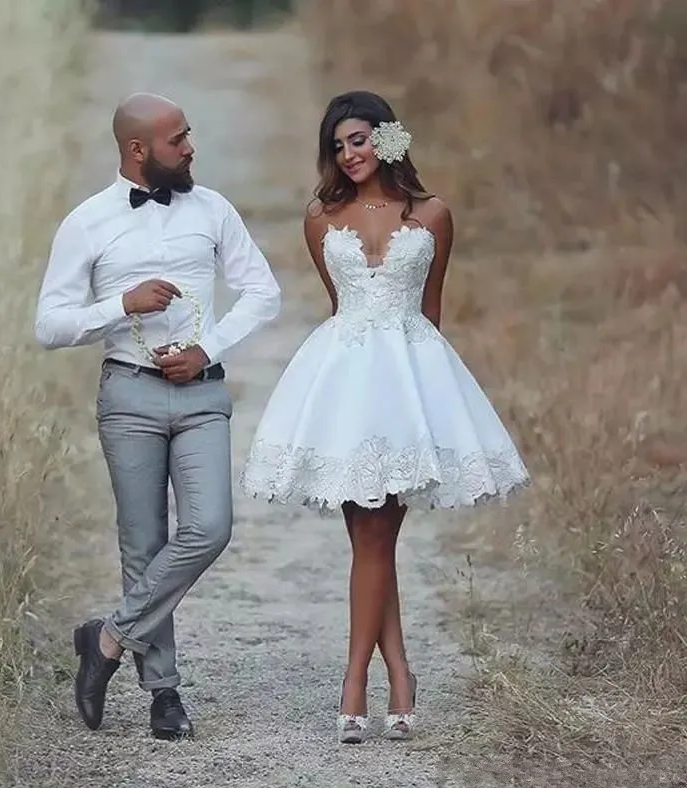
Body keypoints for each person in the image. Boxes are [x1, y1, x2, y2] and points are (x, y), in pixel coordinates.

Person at [240, 90, 529, 744]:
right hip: (343, 382)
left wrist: (430, 403)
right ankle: (398, 673)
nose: (349, 154)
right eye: (338, 146)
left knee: (375, 539)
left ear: (389, 140)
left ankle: (356, 684)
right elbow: (340, 302)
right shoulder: (320, 216)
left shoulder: (433, 216)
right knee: (372, 541)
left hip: (409, 378)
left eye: (359, 140)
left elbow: (431, 310)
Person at [34, 92, 281, 740]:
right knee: (143, 544)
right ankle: (163, 694)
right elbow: (50, 325)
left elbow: (263, 291)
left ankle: (107, 639)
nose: (191, 146)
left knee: (210, 526)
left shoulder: (213, 209)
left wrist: (210, 348)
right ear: (138, 150)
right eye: (178, 138)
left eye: (190, 134)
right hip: (129, 396)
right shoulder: (87, 222)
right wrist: (121, 303)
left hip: (202, 395)